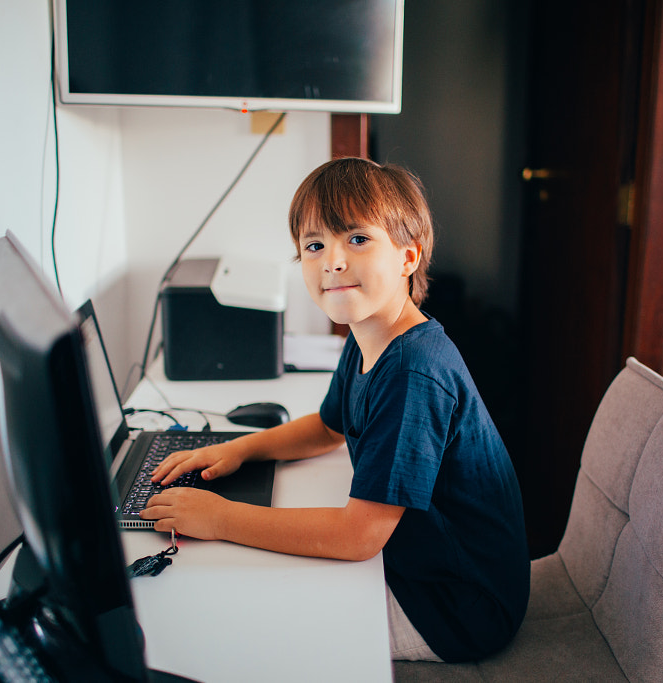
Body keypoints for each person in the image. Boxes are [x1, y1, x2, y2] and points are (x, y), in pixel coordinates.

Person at [141, 157, 530, 663]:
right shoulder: (369, 331)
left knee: (254, 627)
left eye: (358, 239)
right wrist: (237, 449)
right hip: (427, 568)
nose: (333, 261)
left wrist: (220, 517)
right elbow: (327, 428)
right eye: (314, 245)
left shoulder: (414, 372)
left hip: (458, 607)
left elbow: (358, 535)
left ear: (408, 257)